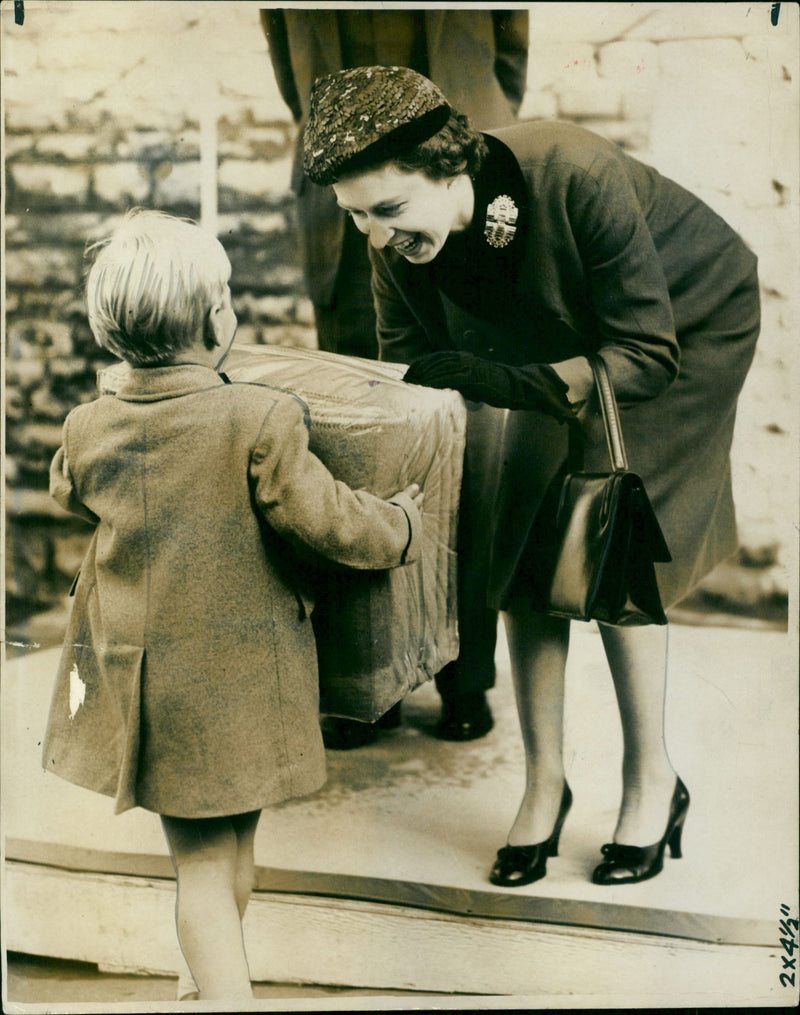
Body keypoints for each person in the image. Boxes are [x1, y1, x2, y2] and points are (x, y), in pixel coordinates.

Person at [301, 66, 760, 886]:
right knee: (514, 525)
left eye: (389, 209)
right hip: (554, 342)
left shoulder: (572, 175)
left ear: (451, 167)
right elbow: (411, 377)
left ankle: (652, 778)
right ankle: (544, 782)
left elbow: (647, 351)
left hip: (683, 321)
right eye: (355, 215)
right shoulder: (395, 238)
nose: (373, 236)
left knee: (620, 526)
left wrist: (534, 387)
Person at [41, 209, 423, 1000]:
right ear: (218, 318)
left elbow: (69, 489)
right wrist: (405, 525)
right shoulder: (258, 416)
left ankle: (201, 986)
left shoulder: (89, 427)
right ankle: (224, 997)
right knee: (219, 866)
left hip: (148, 680)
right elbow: (329, 519)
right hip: (239, 684)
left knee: (213, 861)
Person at [262, 9, 529, 746]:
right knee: (350, 445)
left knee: (468, 446)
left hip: (439, 188)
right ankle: (365, 680)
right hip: (353, 217)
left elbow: (509, 44)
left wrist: (465, 134)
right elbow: (289, 55)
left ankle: (464, 673)